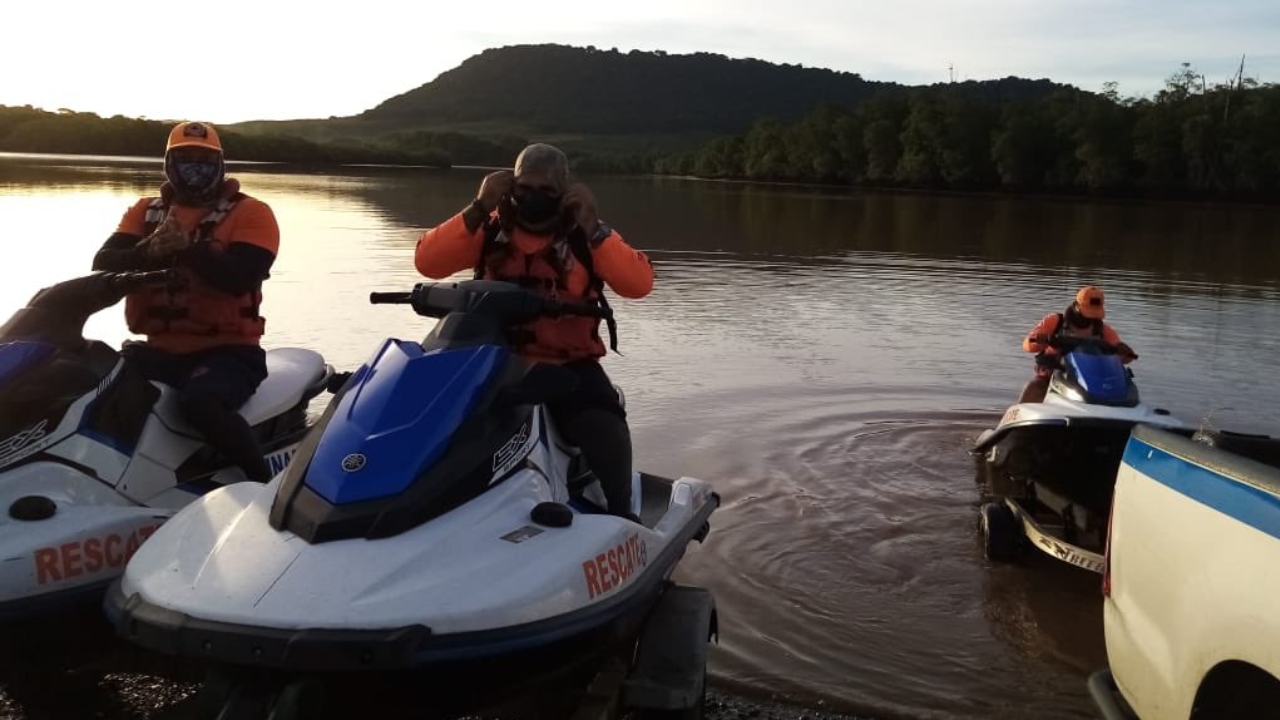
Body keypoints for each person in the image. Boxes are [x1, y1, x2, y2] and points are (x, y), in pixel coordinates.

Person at [414, 143, 653, 521]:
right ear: (511, 184)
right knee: (423, 406)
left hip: (566, 364)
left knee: (602, 420)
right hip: (488, 359)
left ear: (565, 192)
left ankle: (622, 513)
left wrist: (593, 226)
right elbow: (428, 262)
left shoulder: (584, 236)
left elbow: (638, 284)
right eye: (525, 187)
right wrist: (478, 205)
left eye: (546, 191)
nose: (534, 197)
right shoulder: (490, 226)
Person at [91, 120, 280, 482]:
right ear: (169, 164)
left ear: (220, 164)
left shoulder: (253, 213)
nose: (196, 167)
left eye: (204, 159)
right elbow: (102, 266)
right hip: (160, 349)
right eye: (186, 158)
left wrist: (189, 249)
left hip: (229, 353)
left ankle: (263, 484)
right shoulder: (144, 213)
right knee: (93, 379)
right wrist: (148, 250)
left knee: (200, 402)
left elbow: (241, 278)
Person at [1018, 285, 1138, 403]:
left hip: (1090, 383)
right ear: (1076, 306)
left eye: (1094, 314)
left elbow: (1122, 355)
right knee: (1034, 387)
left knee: (1126, 390)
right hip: (1053, 377)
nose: (1091, 318)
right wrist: (1039, 340)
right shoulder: (1055, 321)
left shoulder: (1103, 330)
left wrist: (1125, 352)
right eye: (1088, 313)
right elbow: (1027, 344)